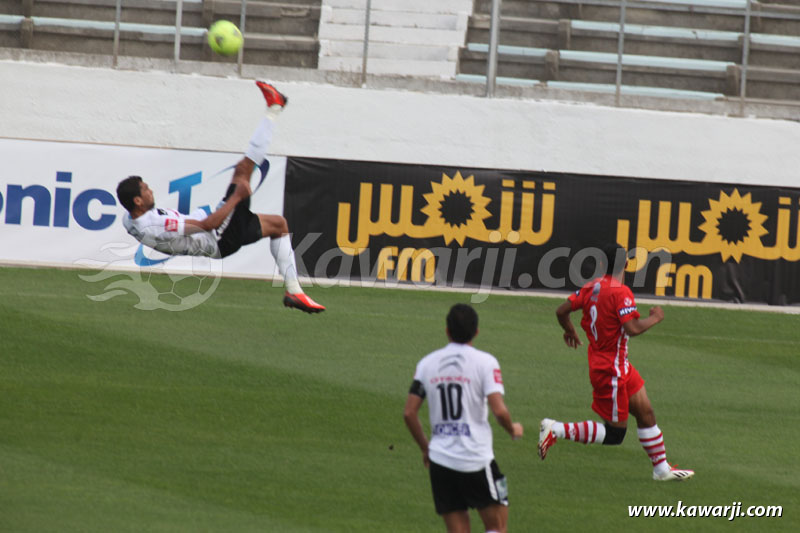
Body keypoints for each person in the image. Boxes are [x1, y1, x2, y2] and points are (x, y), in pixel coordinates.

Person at [115, 81, 324, 313]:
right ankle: (274, 107)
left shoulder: (130, 218)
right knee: (243, 172)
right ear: (137, 201)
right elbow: (207, 225)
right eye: (145, 189)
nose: (150, 190)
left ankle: (294, 292)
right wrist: (236, 197)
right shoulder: (155, 224)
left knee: (278, 225)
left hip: (220, 240)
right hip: (218, 236)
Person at [538, 244, 693, 481]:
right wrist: (655, 318)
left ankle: (661, 470)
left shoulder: (592, 287)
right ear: (628, 265)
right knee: (615, 434)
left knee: (646, 412)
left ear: (601, 265)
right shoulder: (621, 292)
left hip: (619, 366)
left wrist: (569, 329)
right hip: (609, 370)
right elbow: (631, 328)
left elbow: (561, 311)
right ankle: (555, 429)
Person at [404, 304, 524, 533]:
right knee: (497, 526)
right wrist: (513, 429)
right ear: (476, 331)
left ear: (447, 331)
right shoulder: (485, 362)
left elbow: (409, 412)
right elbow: (499, 411)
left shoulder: (427, 364)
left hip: (441, 460)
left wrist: (426, 448)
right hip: (476, 459)